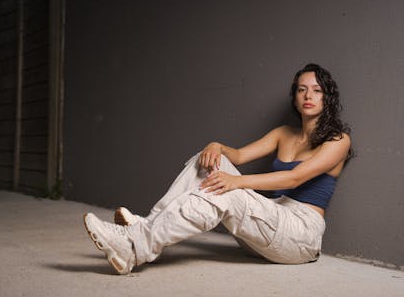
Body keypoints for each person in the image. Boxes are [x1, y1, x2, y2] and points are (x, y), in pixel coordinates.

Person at [83, 63, 352, 275]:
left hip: (300, 237)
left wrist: (237, 183)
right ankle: (149, 225)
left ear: (327, 98)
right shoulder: (284, 133)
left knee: (227, 189)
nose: (308, 95)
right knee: (210, 160)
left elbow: (296, 177)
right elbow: (238, 155)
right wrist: (216, 146)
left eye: (317, 90)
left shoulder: (338, 140)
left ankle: (133, 247)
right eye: (302, 89)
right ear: (294, 97)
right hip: (267, 230)